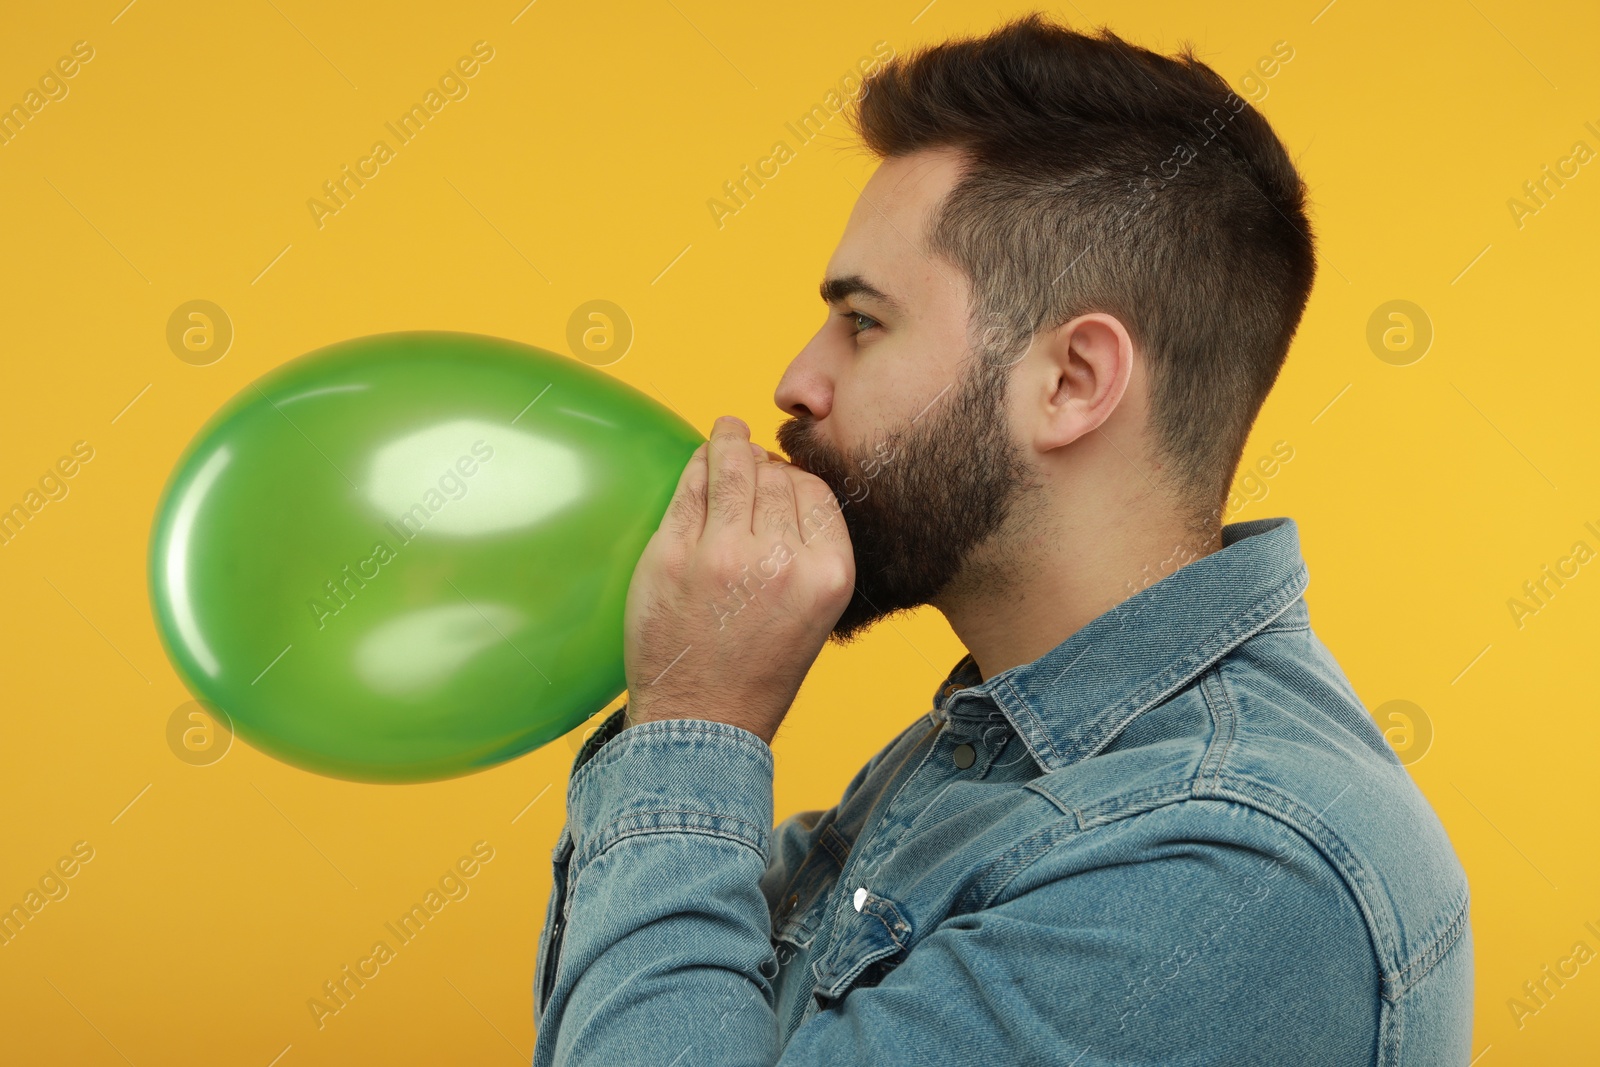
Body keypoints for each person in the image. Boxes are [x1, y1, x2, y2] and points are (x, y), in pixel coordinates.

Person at [532, 12, 1473, 1065]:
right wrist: (681, 718)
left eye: (863, 321)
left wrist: (696, 720)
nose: (797, 382)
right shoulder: (990, 757)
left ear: (1070, 382)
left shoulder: (1230, 860)